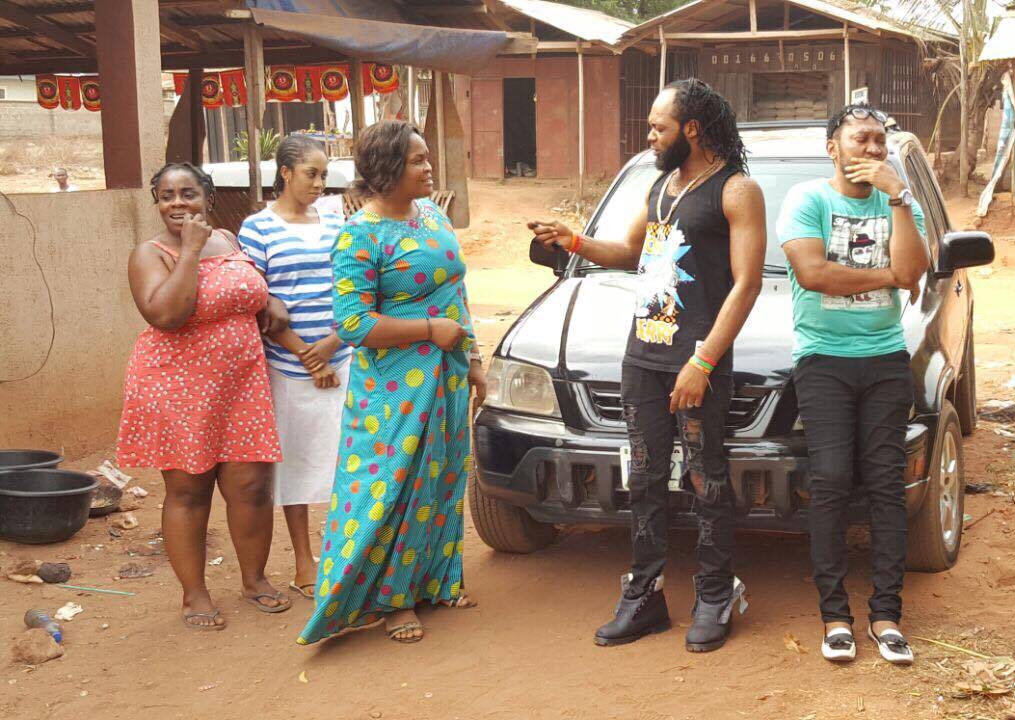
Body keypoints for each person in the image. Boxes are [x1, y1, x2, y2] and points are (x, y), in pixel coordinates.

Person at [528, 79, 766, 653]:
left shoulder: (736, 190)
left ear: (693, 129)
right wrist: (575, 242)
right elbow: (633, 252)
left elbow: (747, 284)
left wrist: (703, 361)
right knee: (644, 477)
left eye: (660, 127)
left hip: (696, 360)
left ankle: (715, 593)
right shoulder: (661, 186)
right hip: (643, 354)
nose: (650, 136)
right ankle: (645, 595)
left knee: (706, 478)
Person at [296, 120, 486, 645]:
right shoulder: (360, 235)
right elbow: (353, 323)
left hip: (446, 375)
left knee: (440, 479)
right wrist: (429, 329)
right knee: (393, 487)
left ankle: (435, 581)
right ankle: (392, 599)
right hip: (394, 390)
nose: (430, 168)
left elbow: (456, 291)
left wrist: (472, 358)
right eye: (418, 160)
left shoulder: (432, 214)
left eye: (427, 157)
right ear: (387, 169)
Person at [774, 103, 929, 664]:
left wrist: (900, 197)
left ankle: (886, 615)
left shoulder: (898, 203)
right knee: (832, 480)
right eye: (860, 138)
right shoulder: (808, 200)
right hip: (823, 360)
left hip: (885, 358)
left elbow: (915, 269)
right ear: (832, 148)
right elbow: (814, 274)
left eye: (879, 140)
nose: (872, 149)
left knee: (887, 485)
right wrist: (890, 275)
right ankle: (835, 616)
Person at [117, 163, 290, 631]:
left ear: (207, 199)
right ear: (156, 203)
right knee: (189, 491)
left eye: (188, 193)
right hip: (179, 389)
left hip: (241, 385)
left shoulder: (230, 241)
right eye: (167, 195)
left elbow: (247, 291)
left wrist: (269, 300)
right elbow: (167, 315)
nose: (178, 203)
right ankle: (194, 594)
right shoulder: (149, 254)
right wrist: (191, 250)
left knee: (252, 487)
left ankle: (254, 580)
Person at [238, 135, 349, 601]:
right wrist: (308, 356)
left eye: (324, 175)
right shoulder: (257, 228)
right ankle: (305, 560)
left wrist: (333, 345)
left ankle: (344, 554)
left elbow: (352, 288)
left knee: (347, 460)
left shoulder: (336, 223)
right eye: (311, 173)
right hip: (287, 364)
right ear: (285, 172)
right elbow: (259, 302)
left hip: (343, 356)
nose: (320, 184)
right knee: (298, 463)